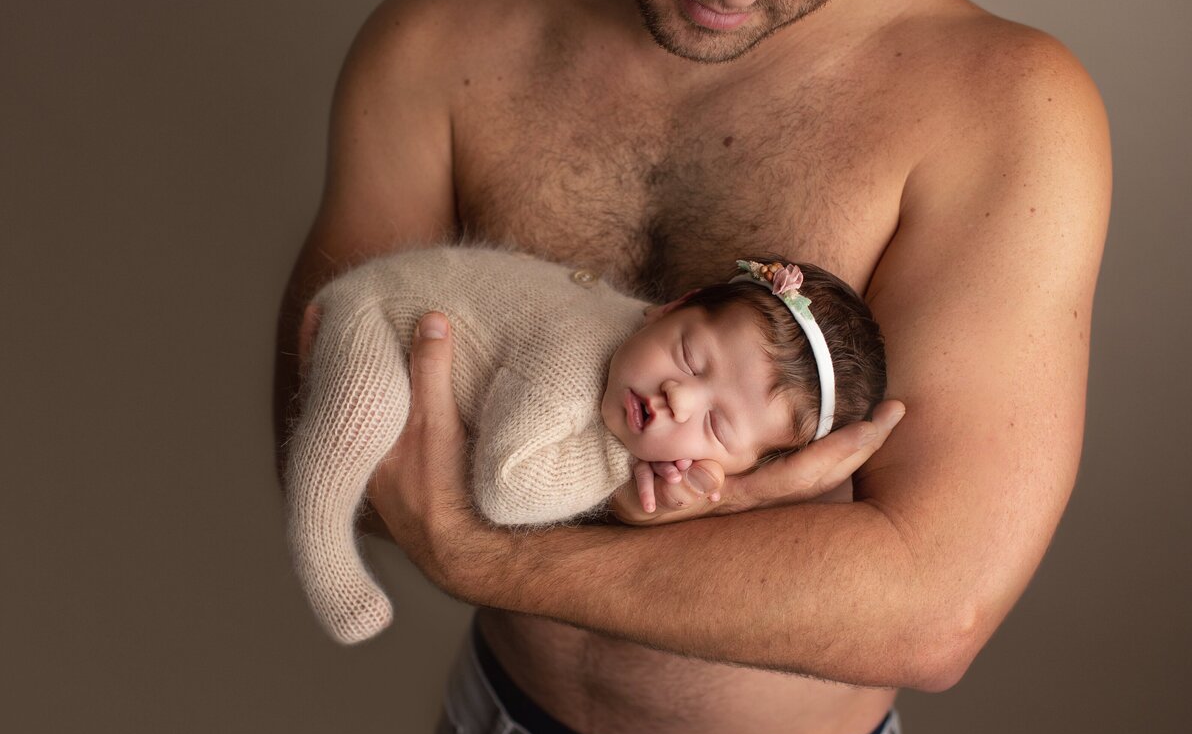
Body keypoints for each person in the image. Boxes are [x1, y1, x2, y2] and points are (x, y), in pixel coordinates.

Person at [273, 0, 1110, 734]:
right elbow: (328, 428)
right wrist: (730, 499)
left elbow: (935, 611)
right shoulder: (436, 43)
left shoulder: (1005, 105)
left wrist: (485, 559)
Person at [287, 247, 885, 646]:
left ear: (733, 466)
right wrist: (621, 463)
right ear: (670, 310)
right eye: (688, 356)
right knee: (362, 413)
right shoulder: (573, 364)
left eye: (718, 428)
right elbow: (507, 488)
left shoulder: (635, 361)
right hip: (380, 313)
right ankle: (318, 536)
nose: (679, 397)